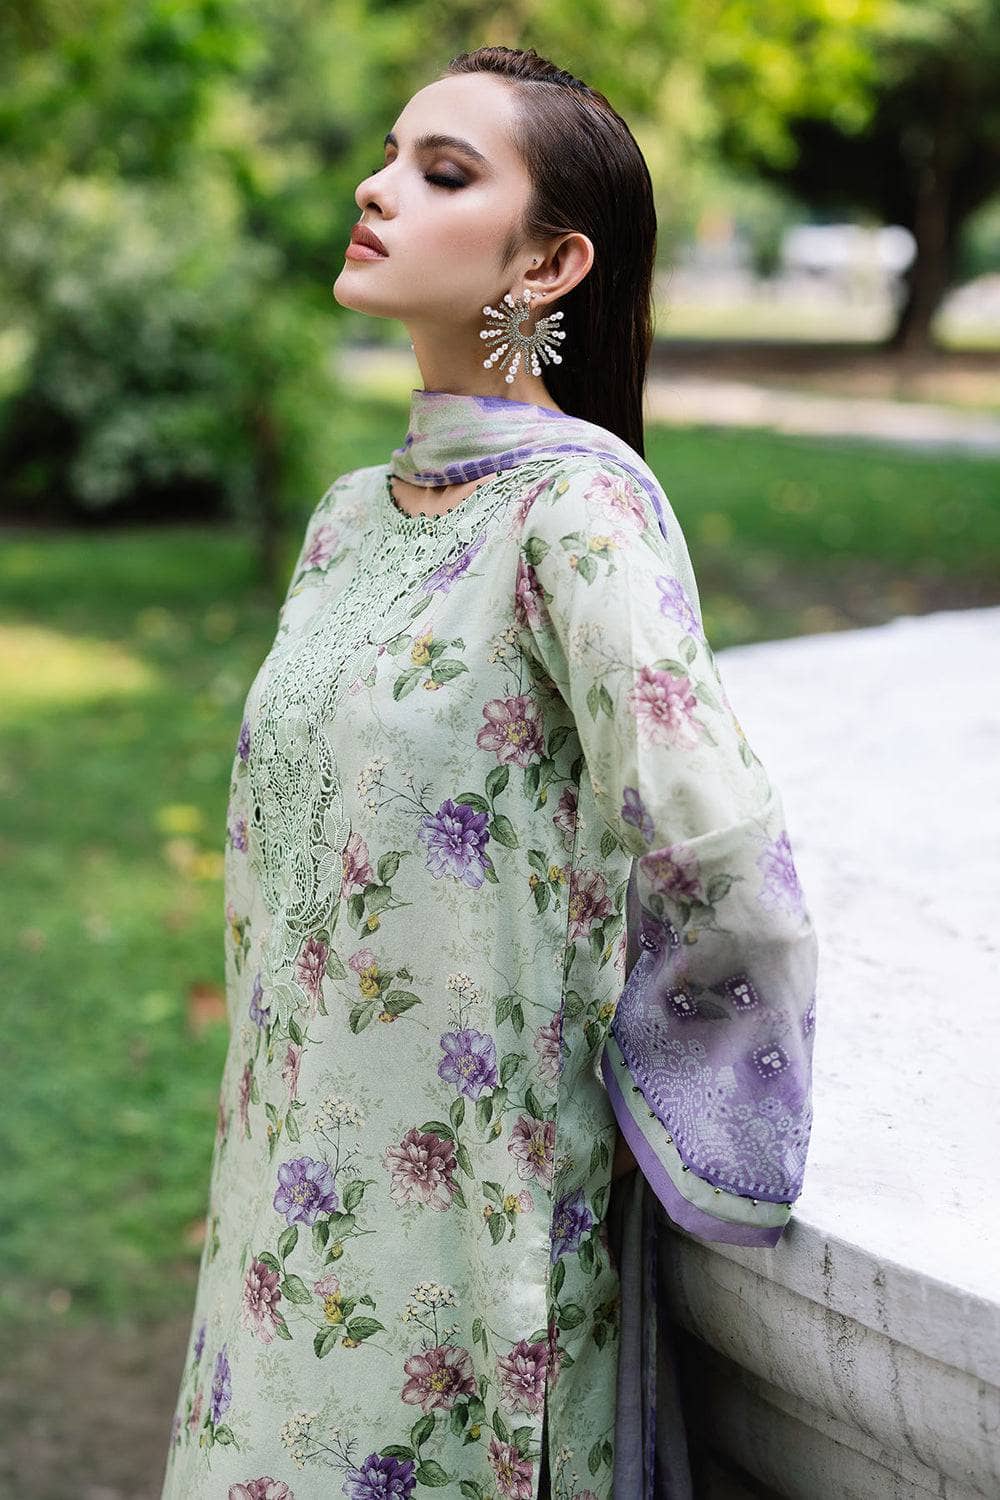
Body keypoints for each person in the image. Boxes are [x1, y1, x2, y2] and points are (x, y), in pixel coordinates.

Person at [159, 44, 819, 1500]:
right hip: (283, 1208)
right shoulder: (347, 521)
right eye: (390, 155)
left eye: (442, 172)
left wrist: (679, 1105)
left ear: (550, 262)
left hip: (471, 1240)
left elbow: (719, 849)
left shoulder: (576, 515)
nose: (375, 187)